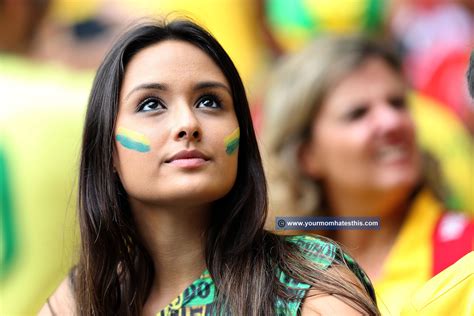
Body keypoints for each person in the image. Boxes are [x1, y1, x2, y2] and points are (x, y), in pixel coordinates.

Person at [38, 19, 379, 315]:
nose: (188, 123)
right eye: (151, 104)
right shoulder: (85, 298)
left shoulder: (311, 282)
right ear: (107, 150)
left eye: (209, 101)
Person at [260, 35, 473, 315]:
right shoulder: (269, 274)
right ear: (306, 155)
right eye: (357, 113)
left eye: (398, 103)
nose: (392, 121)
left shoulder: (466, 248)